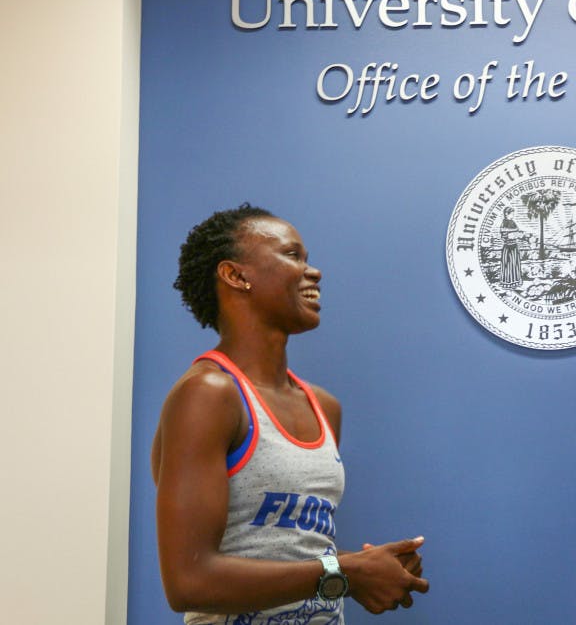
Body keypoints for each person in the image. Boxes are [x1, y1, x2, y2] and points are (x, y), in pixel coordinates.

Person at [152, 204, 429, 624]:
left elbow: (290, 552)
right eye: (292, 255)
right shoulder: (207, 394)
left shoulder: (323, 406)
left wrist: (370, 570)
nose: (313, 272)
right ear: (236, 275)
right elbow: (189, 581)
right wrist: (346, 573)